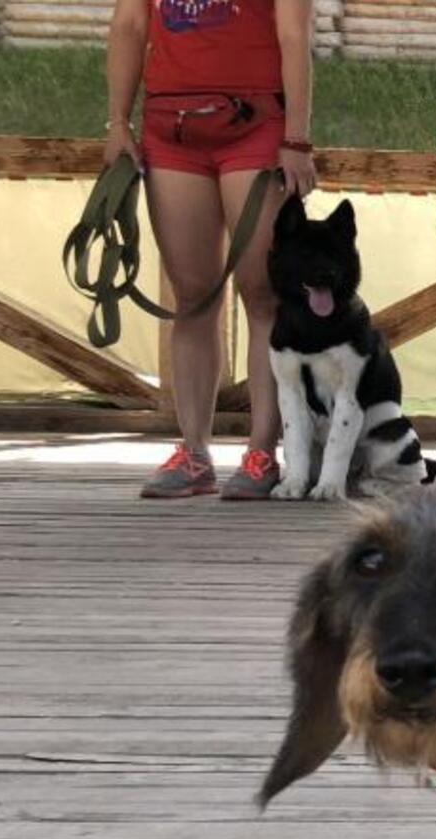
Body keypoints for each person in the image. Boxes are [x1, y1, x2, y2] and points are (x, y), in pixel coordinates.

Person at [105, 0, 319, 499]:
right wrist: (117, 123)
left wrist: (297, 139)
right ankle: (194, 452)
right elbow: (130, 25)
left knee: (261, 291)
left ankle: (262, 450)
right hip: (170, 124)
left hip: (256, 119)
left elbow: (294, 36)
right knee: (193, 296)